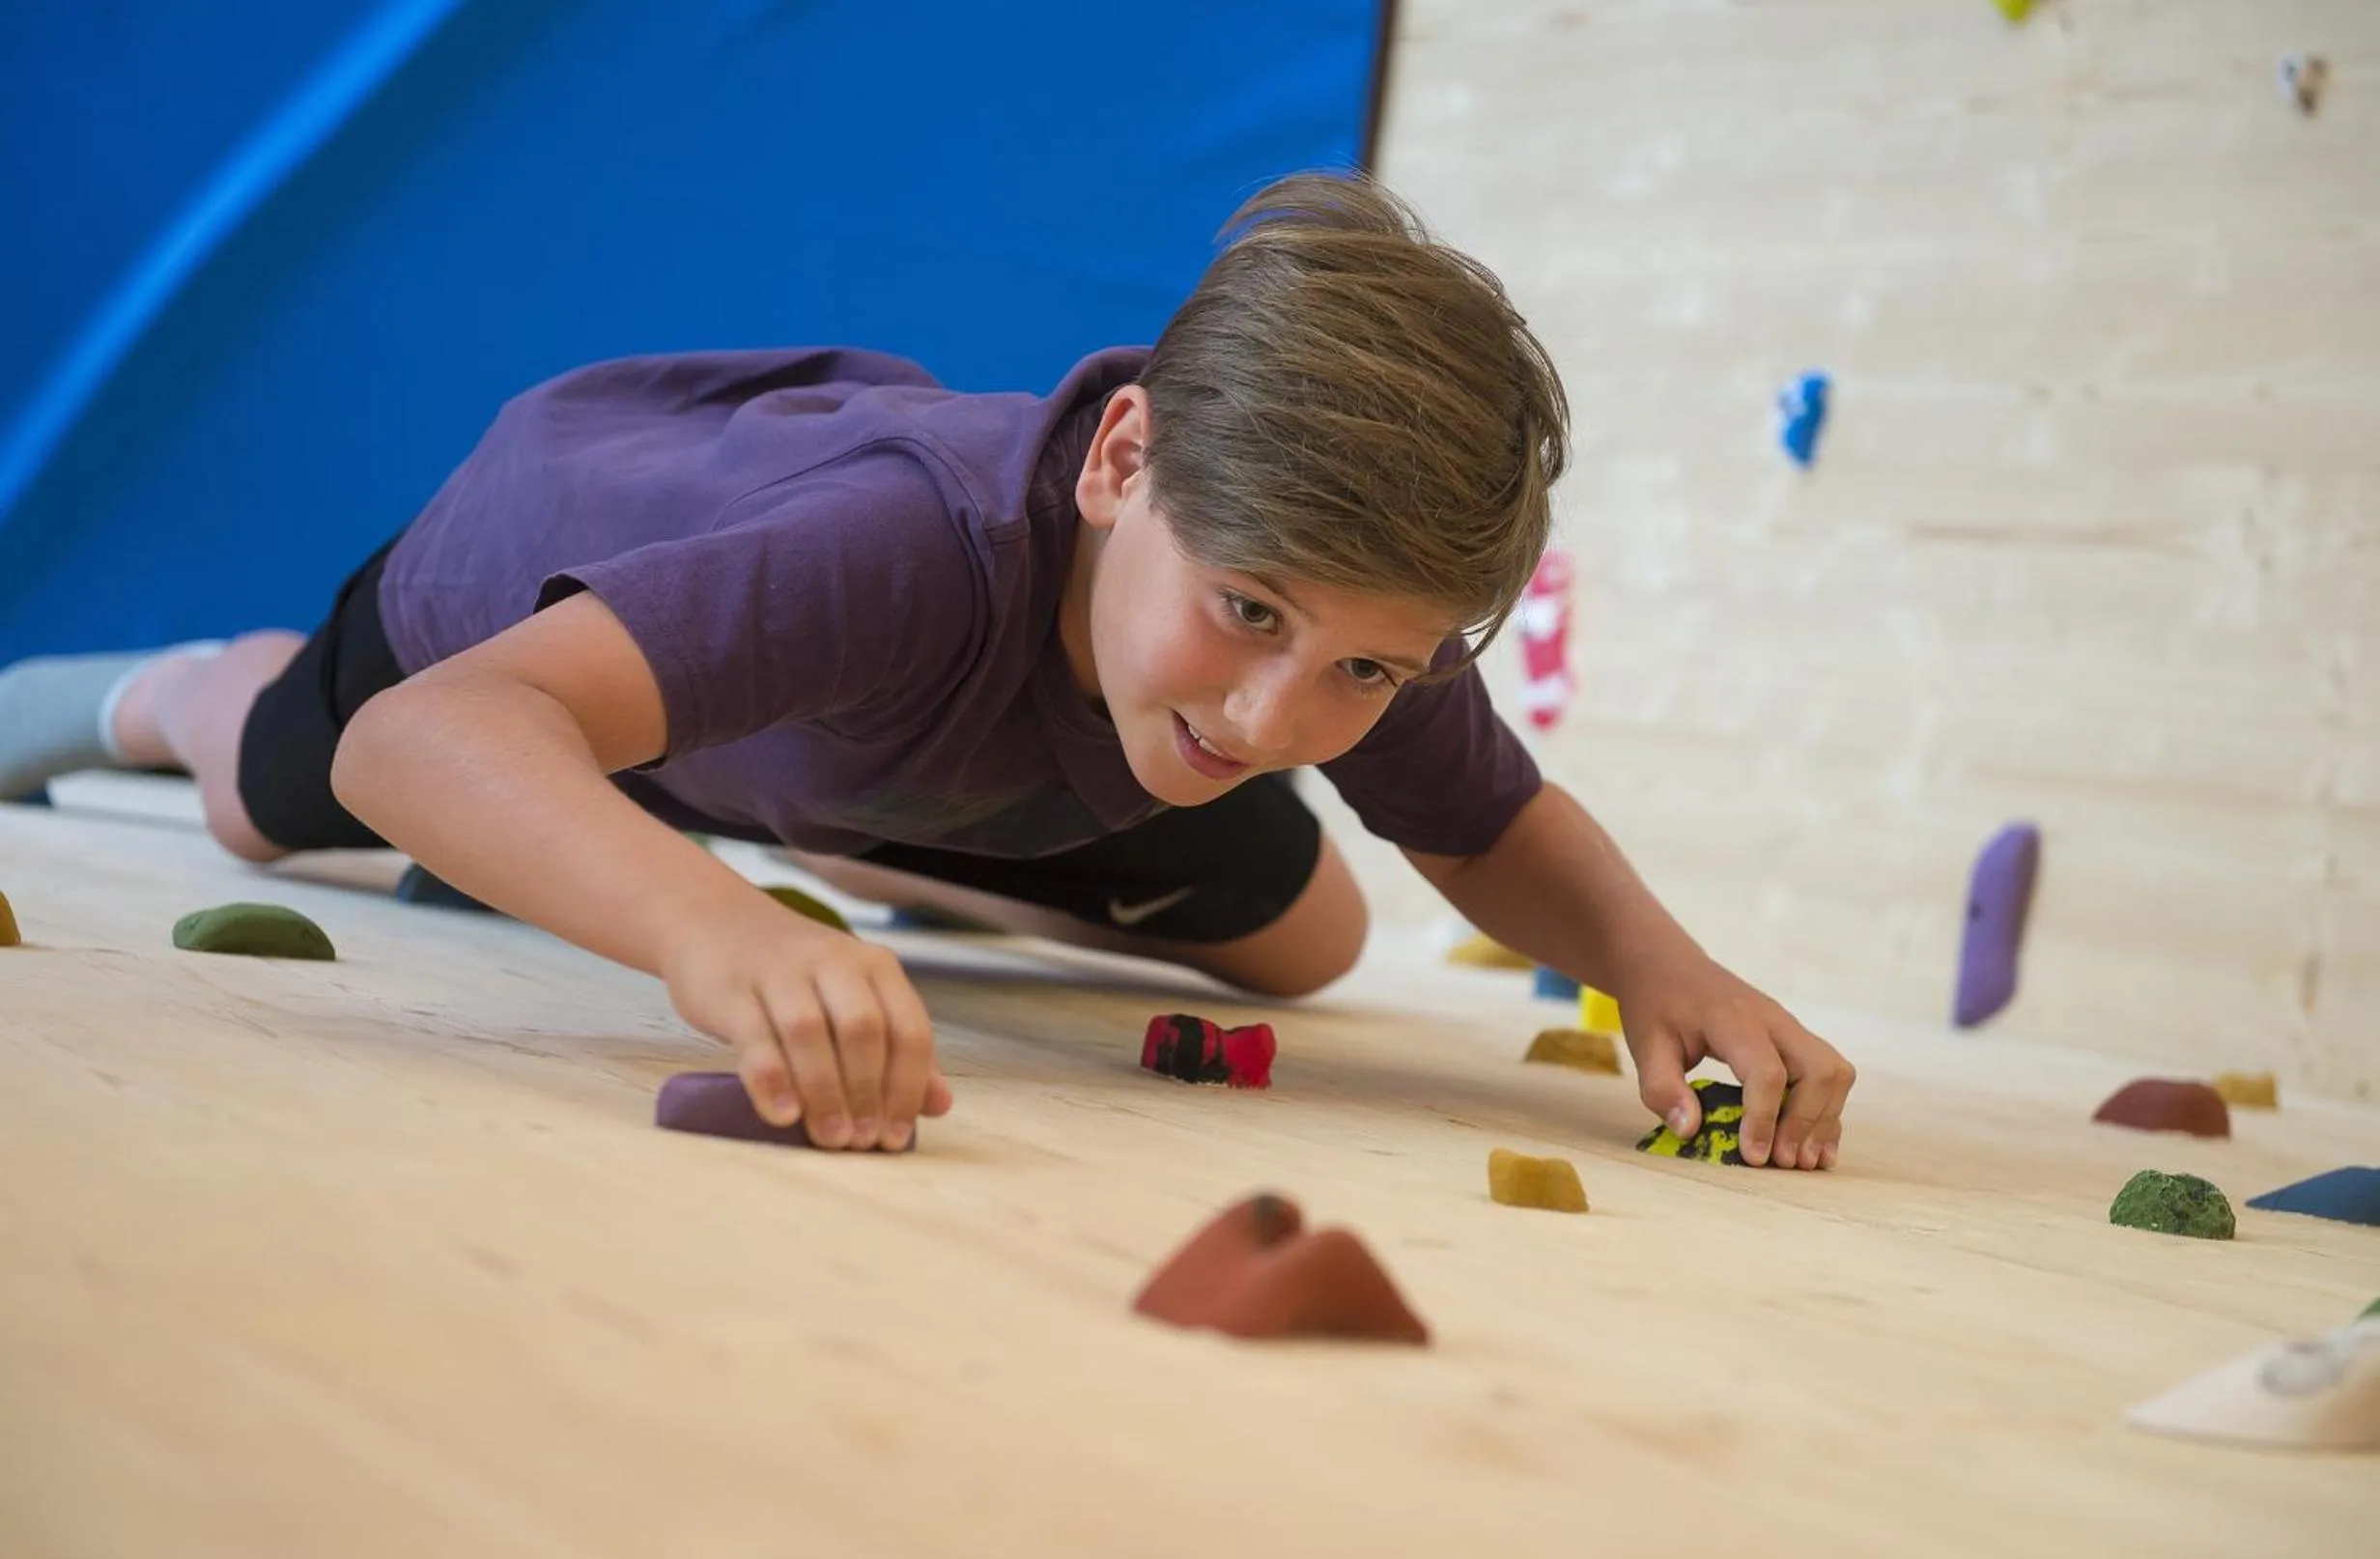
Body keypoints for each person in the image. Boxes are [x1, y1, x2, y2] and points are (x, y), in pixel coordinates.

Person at [0, 173, 1855, 1158]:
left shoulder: (1334, 604)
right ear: (1122, 463)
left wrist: (1667, 968)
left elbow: (1490, 822)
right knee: (265, 795)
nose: (1281, 717)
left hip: (883, 734)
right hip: (506, 607)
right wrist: (715, 930)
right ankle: (179, 683)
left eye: (1369, 676)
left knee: (1309, 937)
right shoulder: (903, 549)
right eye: (1251, 612)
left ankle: (870, 832)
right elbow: (424, 738)